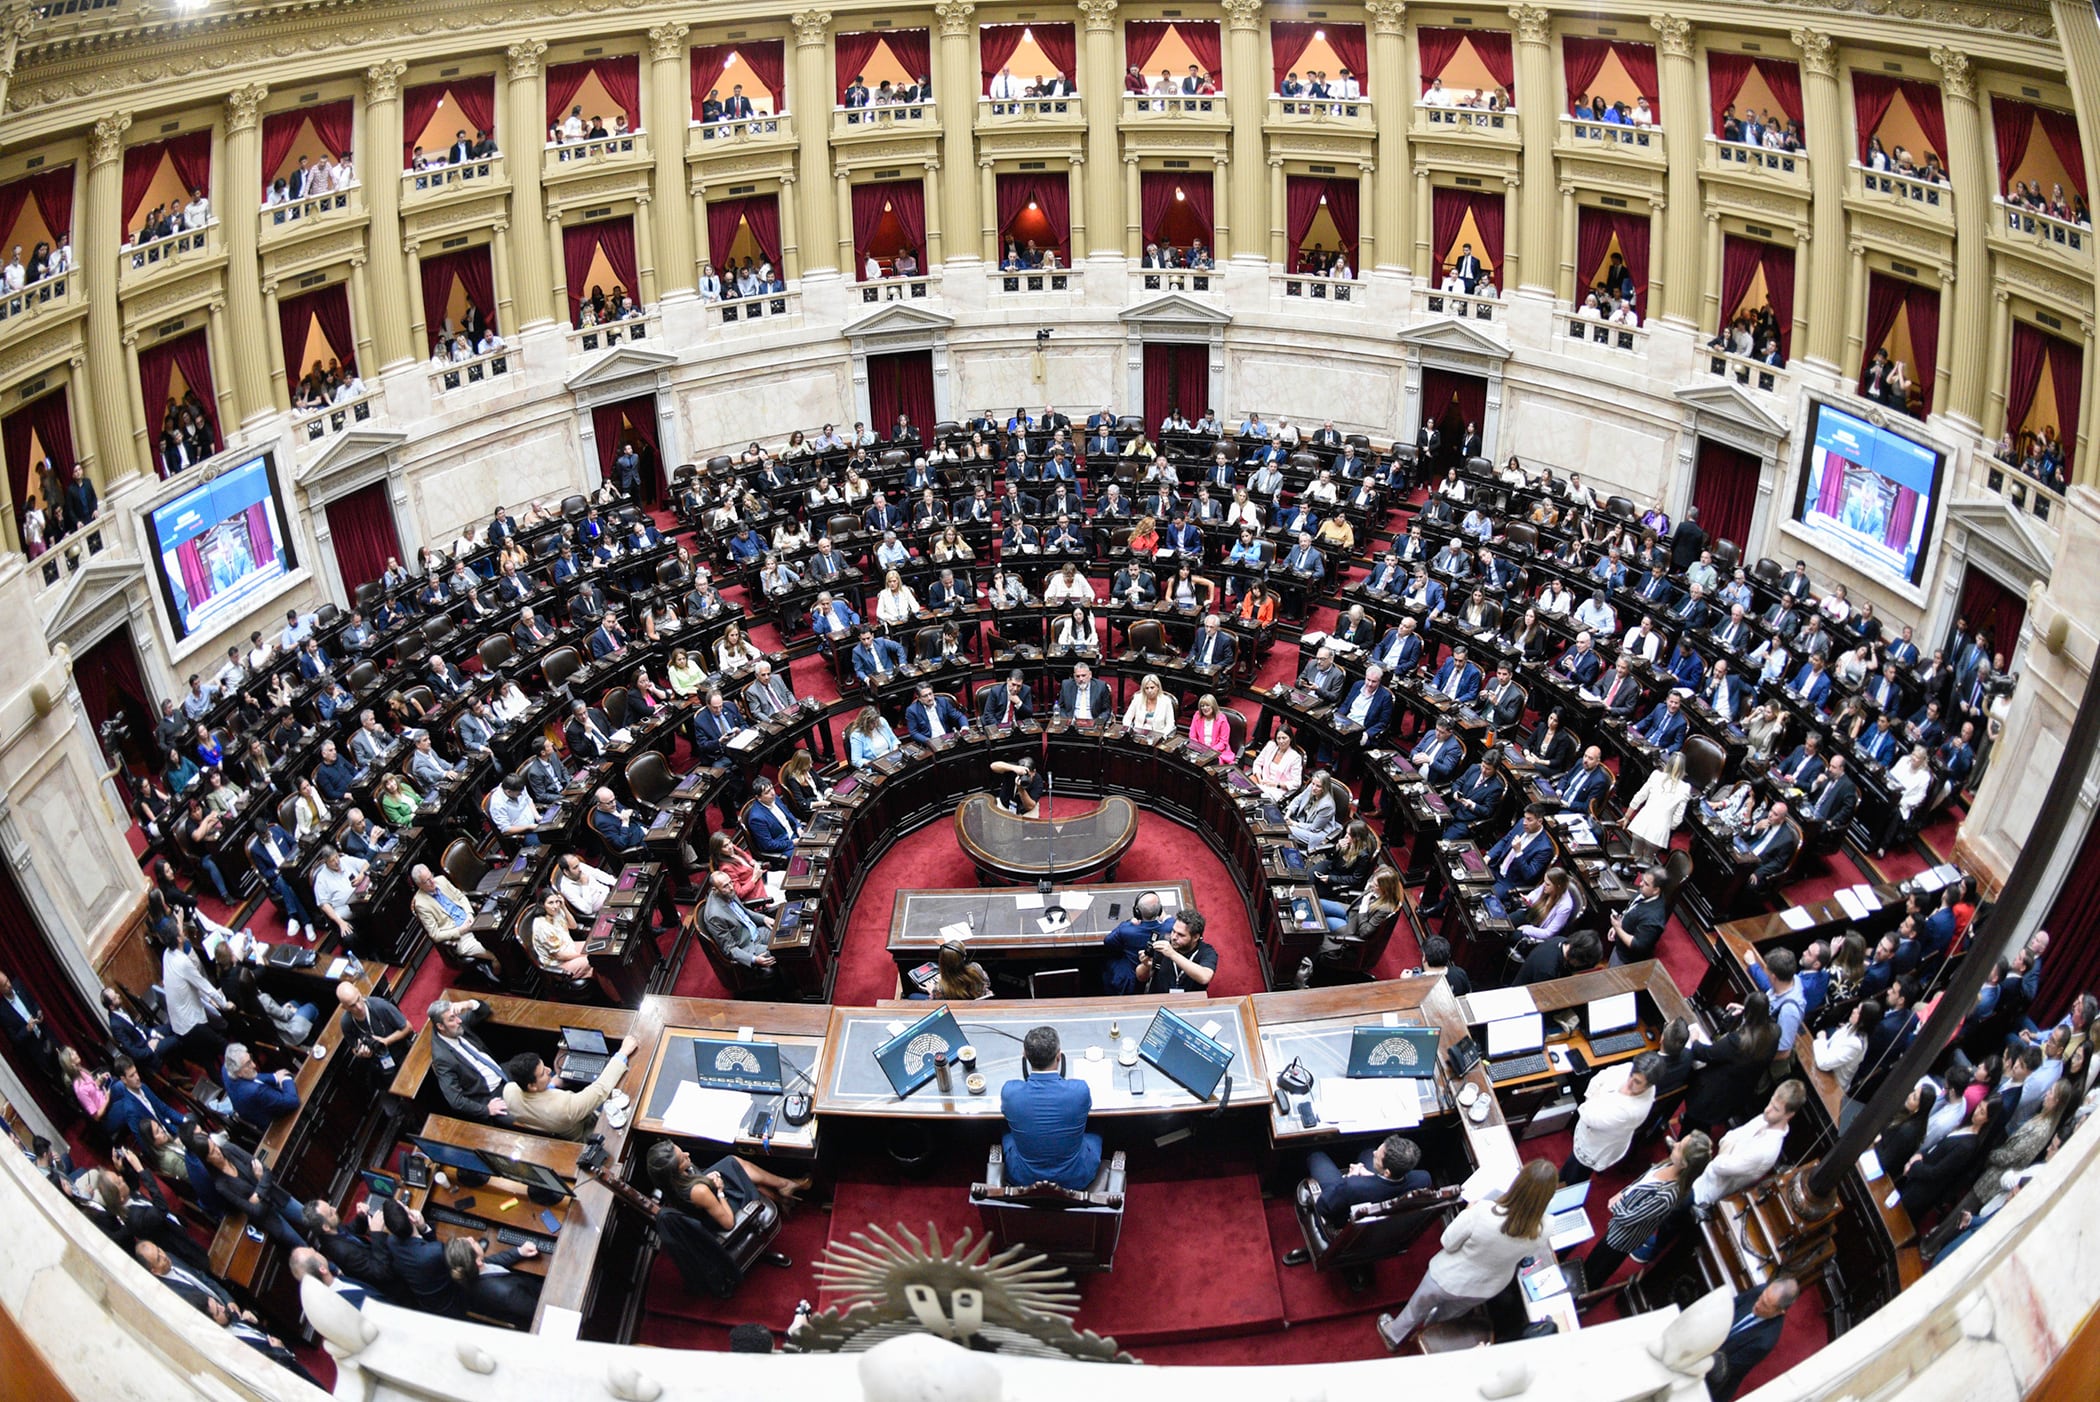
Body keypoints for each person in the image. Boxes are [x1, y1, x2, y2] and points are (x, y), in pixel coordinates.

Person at [1376, 1160, 1557, 1350]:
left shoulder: (1482, 1212)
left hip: (1448, 1276)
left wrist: (1467, 1212)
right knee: (1447, 1317)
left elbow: (1448, 1242)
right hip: (1485, 1287)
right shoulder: (1547, 1227)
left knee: (1417, 1307)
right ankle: (1430, 1332)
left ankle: (1394, 1334)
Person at [1580, 1131, 1713, 1286]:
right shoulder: (1668, 1164)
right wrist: (1622, 1193)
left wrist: (1616, 1206)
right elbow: (1640, 1181)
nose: (1674, 1144)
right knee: (1595, 1257)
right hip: (1619, 1220)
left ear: (1685, 1164)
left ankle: (1586, 1291)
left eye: (1679, 1148)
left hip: (1624, 1235)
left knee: (1598, 1267)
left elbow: (1631, 1218)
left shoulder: (1667, 1195)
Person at [1284, 1135, 1433, 1253]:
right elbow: (1383, 1185)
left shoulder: (1352, 1185)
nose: (1375, 1153)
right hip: (1385, 1225)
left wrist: (1350, 1178)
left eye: (1378, 1156)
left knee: (1315, 1154)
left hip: (1348, 1225)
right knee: (1367, 1147)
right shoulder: (1423, 1179)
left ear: (1387, 1172)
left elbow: (1323, 1206)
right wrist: (1370, 1177)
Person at [999, 1025, 1101, 1191]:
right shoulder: (1080, 1090)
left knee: (1004, 1128)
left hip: (1023, 1177)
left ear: (1024, 1056)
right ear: (1059, 1056)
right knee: (1097, 1127)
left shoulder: (1010, 1092)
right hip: (1076, 1178)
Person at [1695, 1081, 1807, 1210]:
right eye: (1771, 1102)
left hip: (1708, 1194)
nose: (1767, 1109)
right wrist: (1725, 1153)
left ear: (1789, 1115)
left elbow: (1720, 1167)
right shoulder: (1765, 1118)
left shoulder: (1768, 1149)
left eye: (1776, 1109)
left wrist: (1725, 1152)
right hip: (1704, 1177)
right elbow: (1728, 1137)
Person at [501, 1034, 639, 1139]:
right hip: (587, 1130)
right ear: (532, 1086)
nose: (549, 1070)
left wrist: (551, 1085)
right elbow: (599, 1089)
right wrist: (623, 1052)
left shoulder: (509, 1091)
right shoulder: (564, 1108)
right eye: (543, 1073)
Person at [1564, 1053, 1660, 1182]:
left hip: (1595, 1146)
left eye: (1637, 1082)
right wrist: (1594, 1099)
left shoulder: (1631, 1111)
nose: (1629, 1082)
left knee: (1573, 1175)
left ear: (1649, 1085)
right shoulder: (1636, 1069)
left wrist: (1593, 1097)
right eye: (1631, 1075)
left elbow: (1587, 1115)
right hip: (1595, 1127)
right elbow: (1601, 1076)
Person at [1707, 1278, 1801, 1401]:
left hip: (1717, 1374)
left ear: (1780, 1311)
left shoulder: (1765, 1341)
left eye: (1765, 1306)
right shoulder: (1762, 1292)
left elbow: (1725, 1366)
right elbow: (1731, 1306)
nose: (1758, 1304)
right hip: (1711, 1339)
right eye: (1762, 1297)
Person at [426, 997, 512, 1122]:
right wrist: (486, 1110)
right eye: (452, 1018)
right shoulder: (442, 1058)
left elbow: (484, 1010)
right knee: (521, 1119)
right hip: (490, 1094)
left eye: (456, 1015)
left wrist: (467, 1004)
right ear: (440, 1026)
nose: (459, 1020)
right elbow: (456, 1101)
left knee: (532, 1064)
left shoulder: (456, 1025)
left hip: (502, 1073)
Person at [699, 869, 777, 970]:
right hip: (748, 946)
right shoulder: (715, 916)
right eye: (725, 886)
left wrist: (764, 918)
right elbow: (729, 949)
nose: (731, 887)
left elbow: (745, 912)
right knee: (782, 953)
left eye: (730, 882)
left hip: (756, 931)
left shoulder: (728, 891)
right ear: (715, 890)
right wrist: (753, 959)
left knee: (785, 937)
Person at [1101, 890, 1171, 994]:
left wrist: (1129, 922)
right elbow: (1169, 919)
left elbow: (1108, 942)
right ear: (1160, 909)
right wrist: (1164, 916)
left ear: (1137, 912)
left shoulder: (1126, 929)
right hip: (1158, 973)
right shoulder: (1170, 927)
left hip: (1129, 974)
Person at [222, 1043, 301, 1129]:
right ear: (238, 1073)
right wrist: (285, 1079)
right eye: (248, 1064)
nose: (254, 1065)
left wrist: (275, 1077)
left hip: (254, 1107)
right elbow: (293, 1102)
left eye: (250, 1059)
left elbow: (253, 1077)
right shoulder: (256, 1091)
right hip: (276, 1124)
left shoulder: (226, 1069)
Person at [1139, 911, 1217, 994]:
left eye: (1181, 935)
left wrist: (1172, 954)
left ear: (1195, 937)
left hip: (1190, 1002)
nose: (1174, 937)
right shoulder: (1163, 941)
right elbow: (1140, 977)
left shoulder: (1206, 951)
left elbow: (1204, 977)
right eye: (1173, 931)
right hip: (1160, 999)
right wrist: (1146, 965)